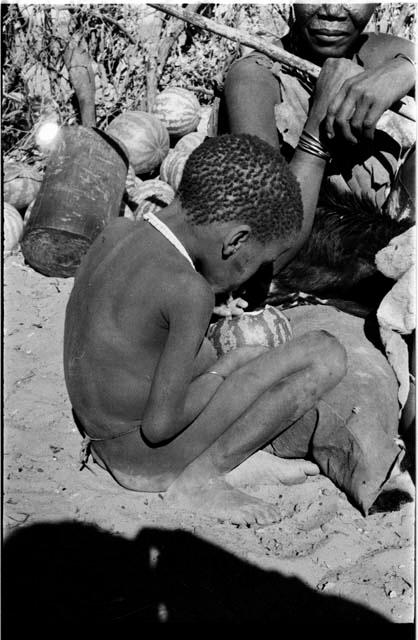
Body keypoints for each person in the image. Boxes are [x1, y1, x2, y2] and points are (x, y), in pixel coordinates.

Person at [64, 67, 351, 525]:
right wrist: (226, 372)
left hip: (100, 430)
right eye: (254, 263)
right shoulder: (189, 291)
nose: (248, 277)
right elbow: (160, 426)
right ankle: (201, 476)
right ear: (234, 242)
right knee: (323, 354)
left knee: (232, 352)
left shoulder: (116, 231)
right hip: (143, 457)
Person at [224, 3, 415, 222]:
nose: (332, 11)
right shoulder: (254, 79)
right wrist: (317, 126)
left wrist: (407, 70)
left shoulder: (386, 52)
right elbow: (266, 230)